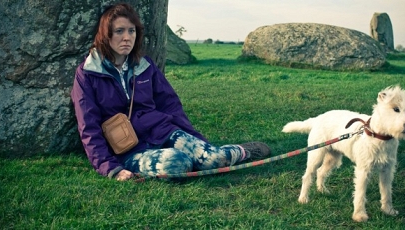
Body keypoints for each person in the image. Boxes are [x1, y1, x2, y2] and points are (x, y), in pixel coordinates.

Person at [71, 3, 271, 181]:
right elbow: (88, 127)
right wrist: (110, 168)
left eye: (131, 31)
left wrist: (197, 141)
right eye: (119, 31)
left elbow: (170, 105)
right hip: (129, 149)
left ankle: (243, 151)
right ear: (106, 35)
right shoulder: (88, 74)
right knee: (177, 163)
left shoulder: (145, 66)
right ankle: (192, 159)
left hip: (162, 131)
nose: (127, 37)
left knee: (213, 159)